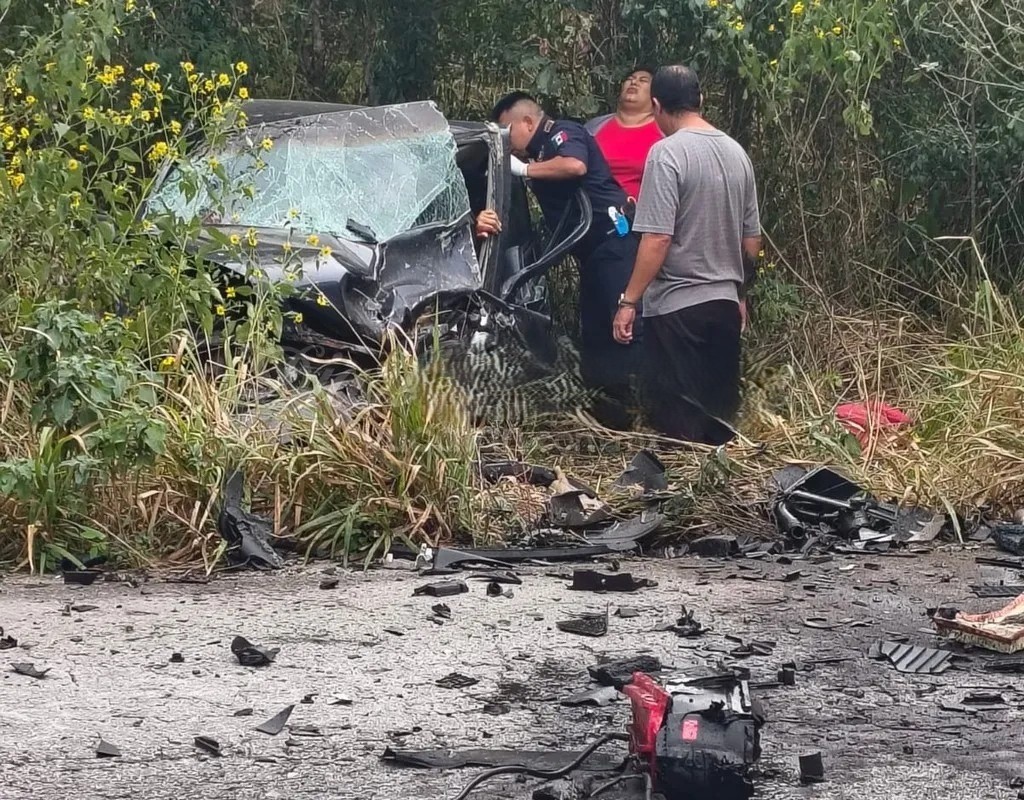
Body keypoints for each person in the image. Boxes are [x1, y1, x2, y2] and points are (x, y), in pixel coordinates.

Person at [612, 65, 761, 446]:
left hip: (678, 311)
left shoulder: (665, 154)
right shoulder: (736, 153)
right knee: (719, 424)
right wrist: (740, 294)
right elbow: (751, 242)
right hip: (725, 306)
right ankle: (720, 499)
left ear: (657, 105)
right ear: (701, 100)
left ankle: (680, 501)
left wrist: (629, 300)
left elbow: (657, 239)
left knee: (678, 429)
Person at [491, 91, 643, 428]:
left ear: (528, 122)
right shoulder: (541, 151)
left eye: (507, 131)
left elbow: (575, 165)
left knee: (623, 326)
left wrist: (526, 170)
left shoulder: (564, 133)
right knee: (596, 331)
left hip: (613, 242)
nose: (507, 142)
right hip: (591, 253)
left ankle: (645, 411)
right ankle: (612, 415)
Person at [586, 66, 663, 201]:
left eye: (643, 80)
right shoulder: (594, 127)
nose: (634, 82)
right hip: (593, 214)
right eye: (630, 79)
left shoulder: (665, 131)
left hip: (641, 216)